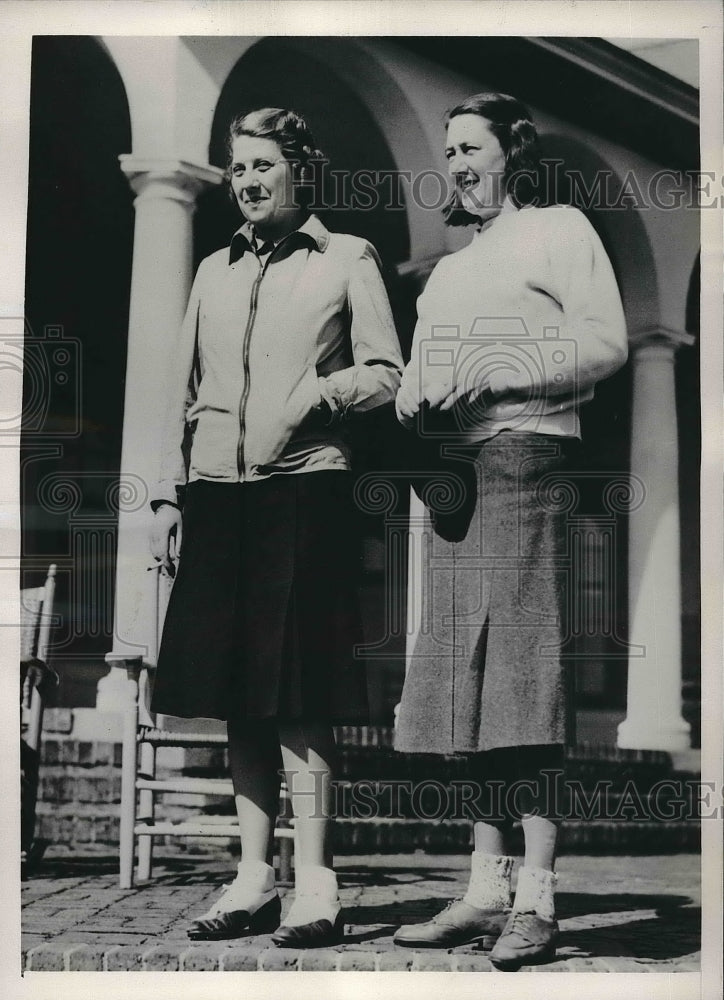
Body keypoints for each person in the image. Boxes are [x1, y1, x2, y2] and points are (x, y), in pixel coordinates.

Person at [149, 107, 403, 948]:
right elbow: (179, 387)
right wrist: (165, 498)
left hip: (304, 491)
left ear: (300, 169)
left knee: (299, 694)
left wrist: (316, 397)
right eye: (237, 169)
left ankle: (318, 884)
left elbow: (386, 374)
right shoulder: (214, 270)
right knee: (236, 696)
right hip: (219, 495)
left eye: (263, 166)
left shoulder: (346, 258)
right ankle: (254, 876)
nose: (248, 182)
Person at [393, 92, 627, 969]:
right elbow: (417, 381)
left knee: (522, 671)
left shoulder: (558, 229)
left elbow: (603, 344)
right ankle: (485, 888)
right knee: (468, 681)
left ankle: (538, 898)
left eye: (470, 146)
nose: (455, 162)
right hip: (451, 478)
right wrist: (415, 398)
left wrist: (495, 372)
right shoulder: (450, 271)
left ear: (510, 154)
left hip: (527, 459)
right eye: (447, 149)